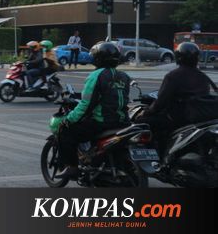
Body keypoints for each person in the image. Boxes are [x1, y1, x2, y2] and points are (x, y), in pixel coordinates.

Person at [55, 42, 132, 179]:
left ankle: (71, 167)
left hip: (102, 122)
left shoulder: (96, 75)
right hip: (123, 122)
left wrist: (69, 119)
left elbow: (86, 104)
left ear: (97, 58)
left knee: (65, 130)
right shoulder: (124, 76)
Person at [136, 42, 215, 150]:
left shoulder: (173, 76)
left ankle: (156, 155)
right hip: (199, 118)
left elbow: (160, 102)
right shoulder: (203, 77)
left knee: (142, 122)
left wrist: (145, 112)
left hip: (178, 118)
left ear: (178, 57)